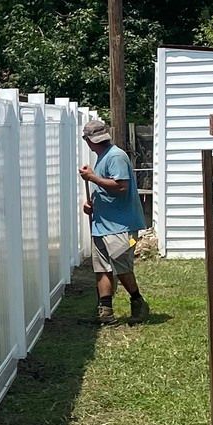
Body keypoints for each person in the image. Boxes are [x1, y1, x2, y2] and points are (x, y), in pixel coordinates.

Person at [80, 118, 147, 324]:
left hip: (125, 229)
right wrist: (91, 204)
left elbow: (121, 187)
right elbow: (106, 189)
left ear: (87, 140)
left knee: (122, 265)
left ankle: (139, 303)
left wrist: (93, 178)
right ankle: (105, 312)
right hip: (102, 226)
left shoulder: (116, 156)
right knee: (102, 268)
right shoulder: (102, 157)